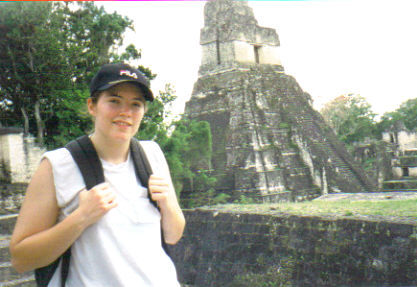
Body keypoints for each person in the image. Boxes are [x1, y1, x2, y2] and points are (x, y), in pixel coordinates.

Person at [9, 63, 186, 286]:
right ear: (92, 106)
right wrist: (81, 217)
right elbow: (21, 259)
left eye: (136, 104)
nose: (126, 112)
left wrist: (167, 204)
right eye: (114, 101)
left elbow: (172, 236)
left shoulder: (152, 155)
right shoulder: (58, 165)